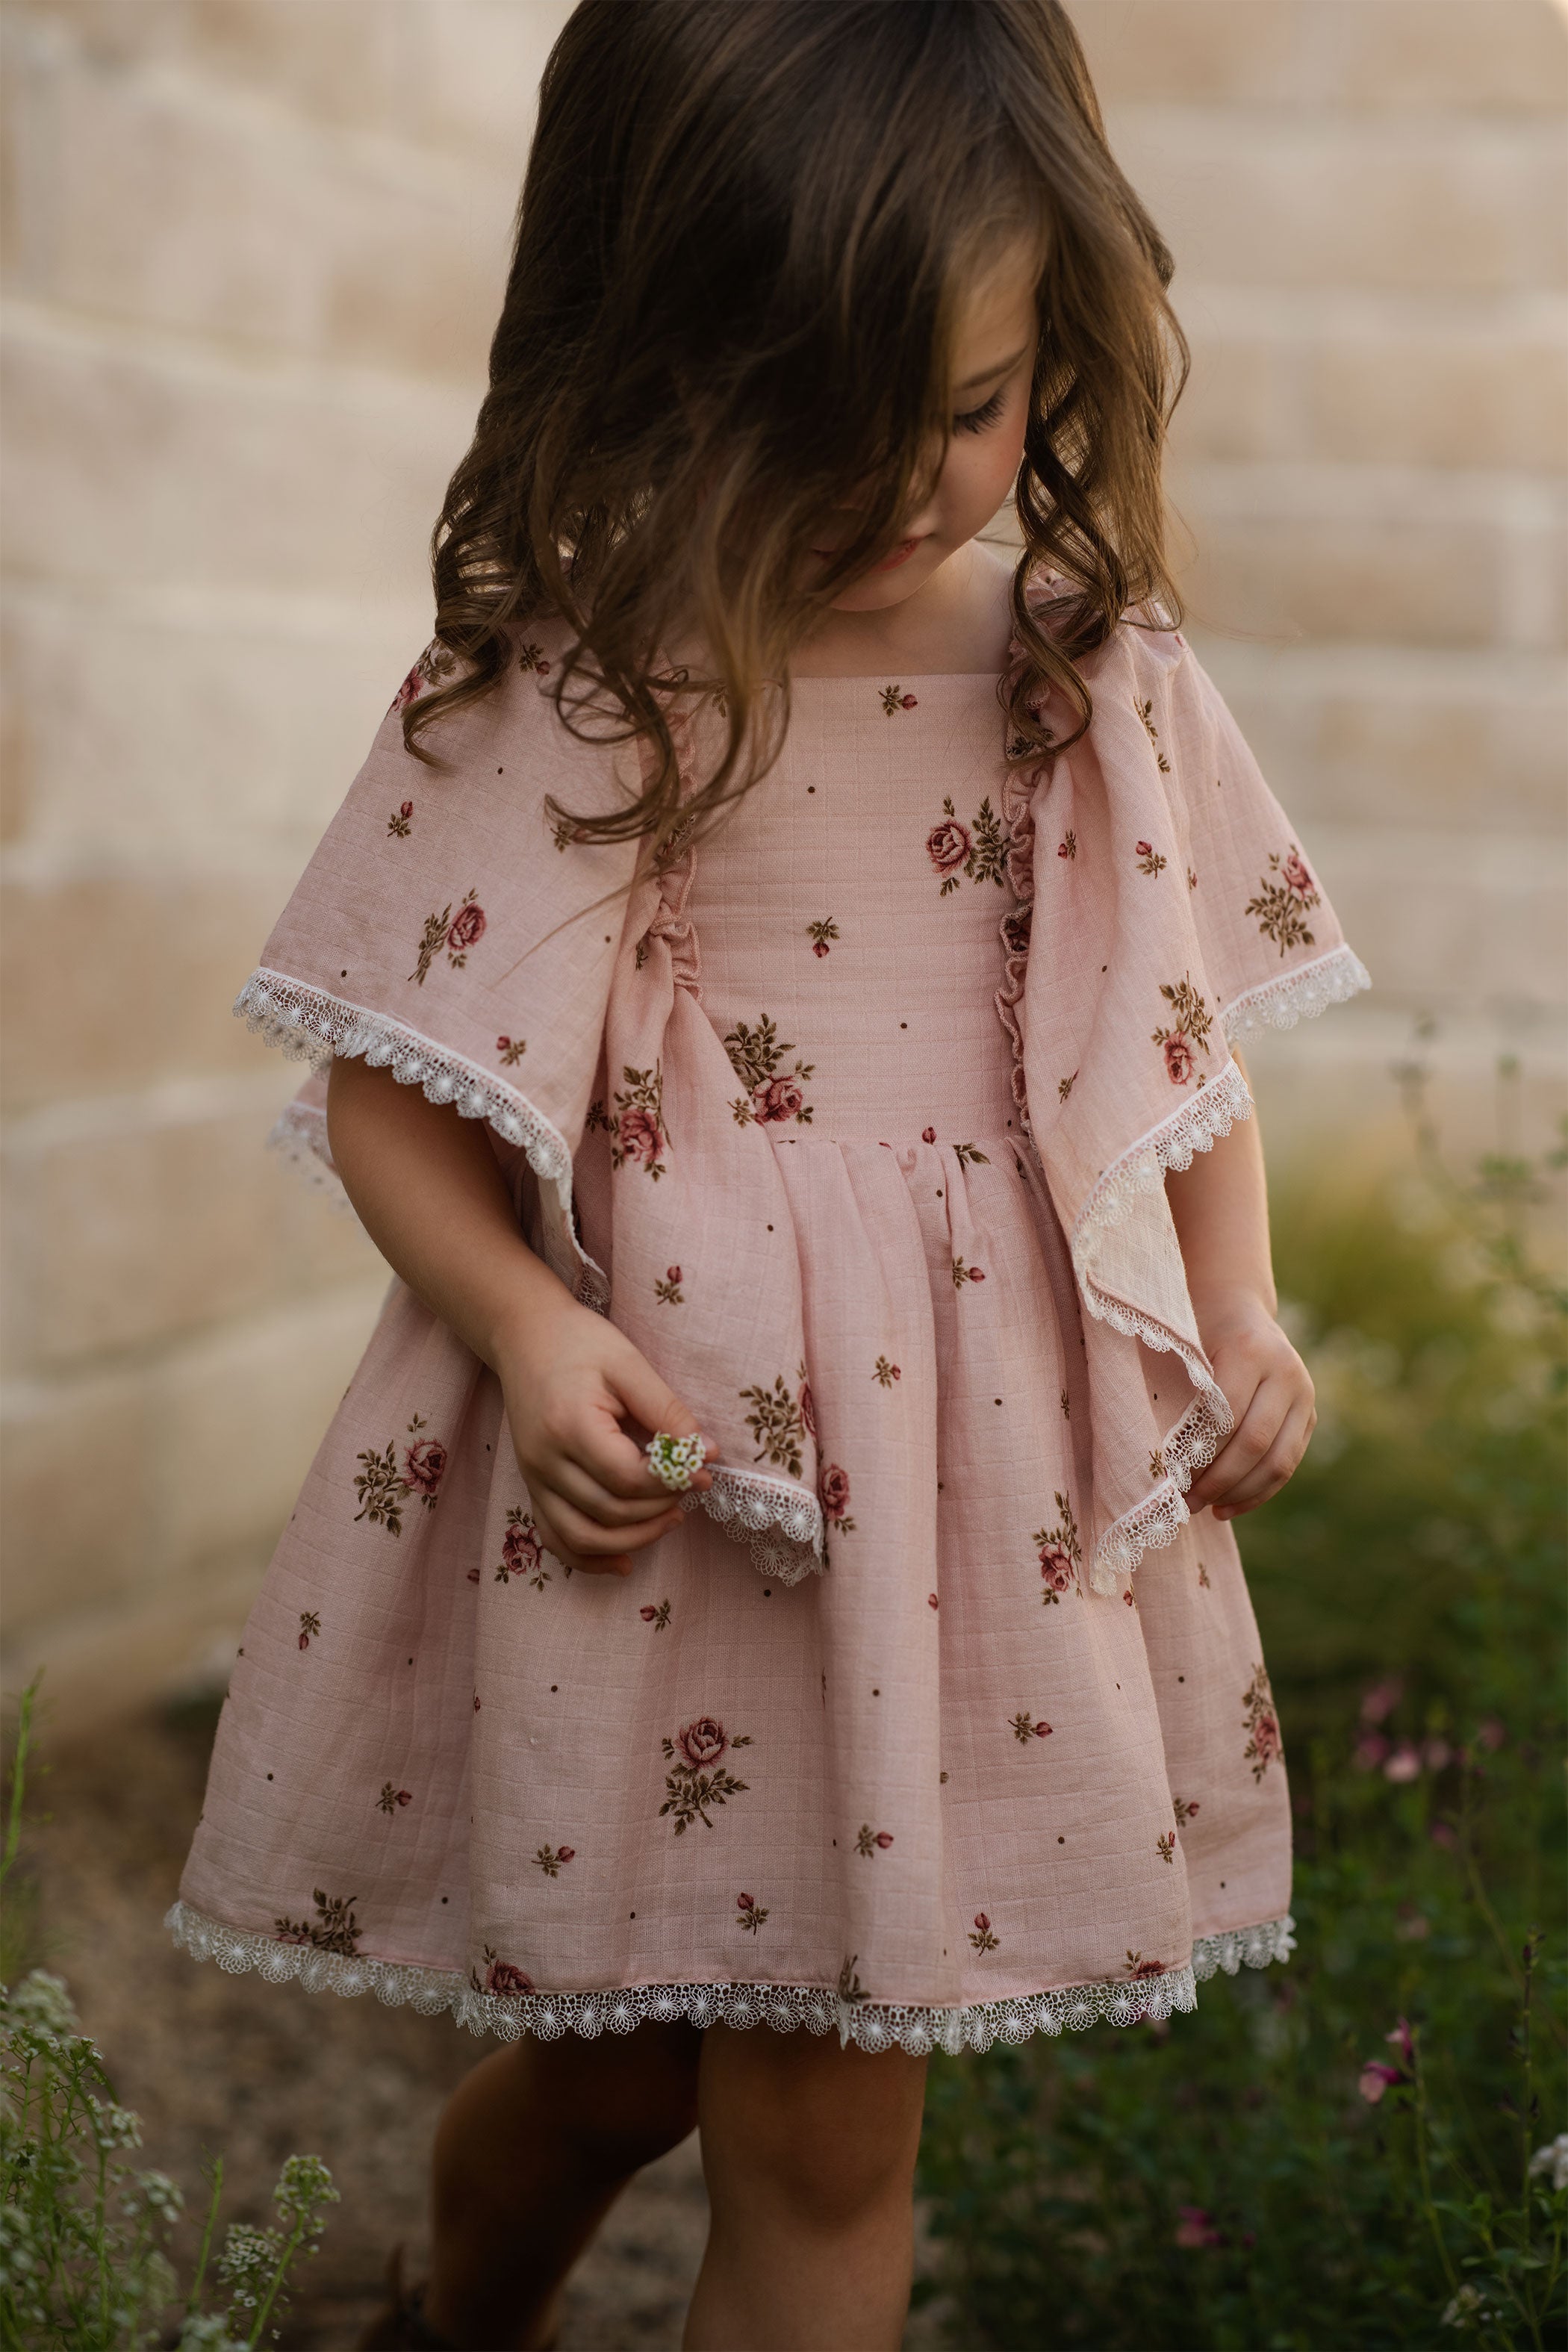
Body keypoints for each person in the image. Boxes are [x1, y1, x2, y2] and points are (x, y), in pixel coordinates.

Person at [167, 3, 1370, 2345]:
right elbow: (393, 1084)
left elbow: (1176, 1046)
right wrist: (522, 1327)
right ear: (654, 359)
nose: (923, 485)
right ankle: (449, 2319)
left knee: (822, 2131)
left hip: (965, 1498)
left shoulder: (1080, 678)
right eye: (831, 421)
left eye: (972, 404)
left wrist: (1233, 1315)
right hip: (663, 1464)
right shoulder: (591, 674)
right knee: (610, 2075)